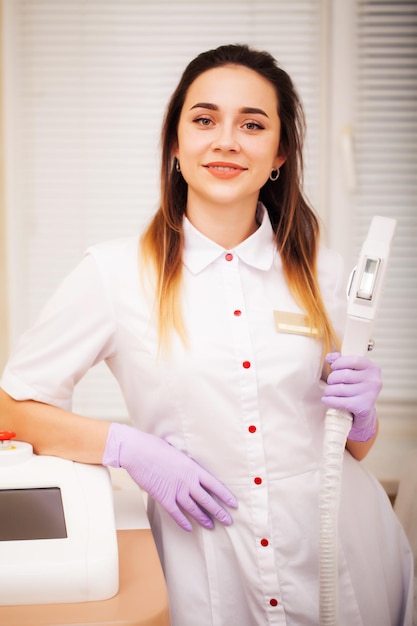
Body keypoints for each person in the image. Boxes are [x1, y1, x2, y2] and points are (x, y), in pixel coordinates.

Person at [0, 44, 413, 625]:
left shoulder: (322, 269)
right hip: (209, 565)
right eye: (204, 119)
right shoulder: (113, 274)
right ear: (175, 144)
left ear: (279, 154)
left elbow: (353, 447)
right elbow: (12, 407)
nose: (226, 140)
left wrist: (363, 418)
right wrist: (127, 448)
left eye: (252, 123)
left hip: (343, 555)